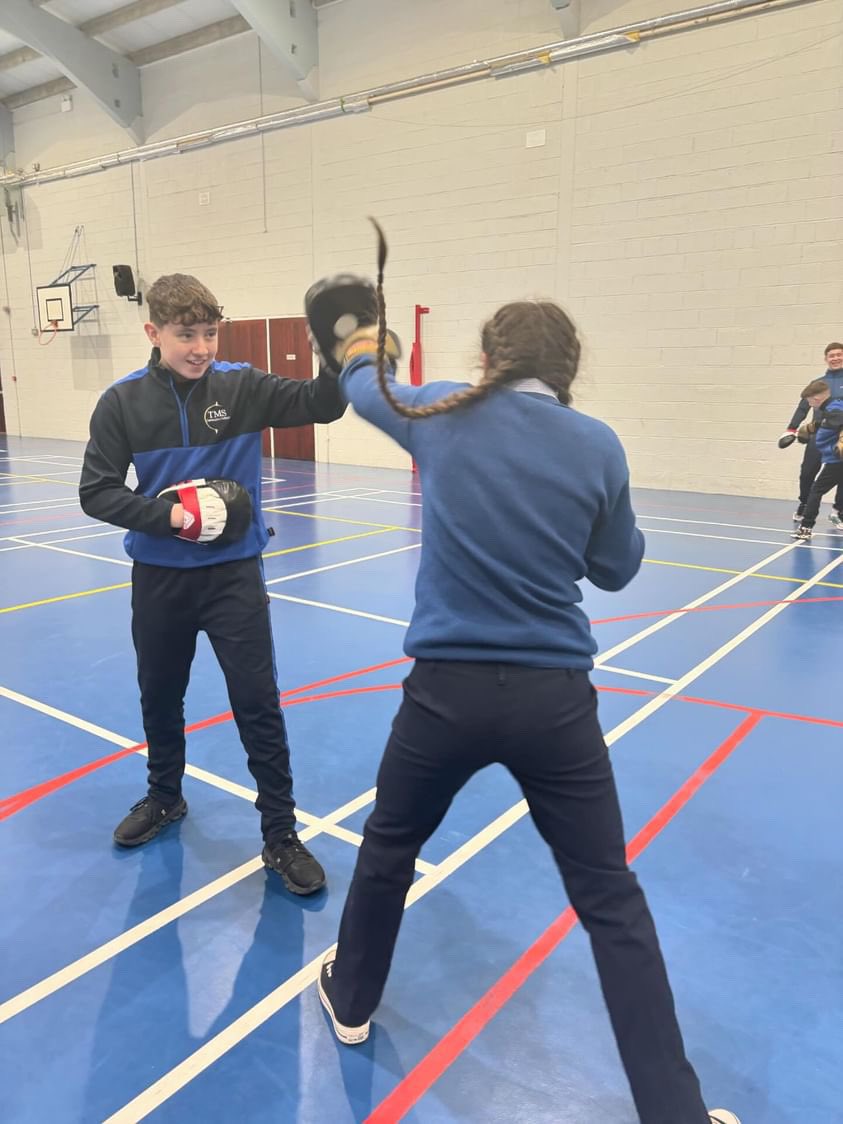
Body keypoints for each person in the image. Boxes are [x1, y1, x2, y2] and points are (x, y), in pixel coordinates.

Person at [307, 238, 740, 1124]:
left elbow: (357, 387)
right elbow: (617, 569)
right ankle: (675, 1112)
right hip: (554, 706)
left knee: (390, 848)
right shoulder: (596, 444)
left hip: (444, 697)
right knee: (609, 898)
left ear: (485, 360)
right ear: (568, 369)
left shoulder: (438, 410)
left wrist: (363, 338)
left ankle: (350, 1003)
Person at [79, 273, 347, 895]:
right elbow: (97, 491)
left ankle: (280, 834)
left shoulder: (243, 387)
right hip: (160, 579)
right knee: (160, 693)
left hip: (233, 579)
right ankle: (164, 796)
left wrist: (338, 354)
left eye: (209, 332)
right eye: (185, 335)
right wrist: (168, 515)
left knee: (257, 702)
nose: (200, 347)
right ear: (154, 332)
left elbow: (322, 404)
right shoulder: (122, 403)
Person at [779, 341, 843, 525]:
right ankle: (805, 504)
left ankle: (838, 511)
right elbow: (802, 408)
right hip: (819, 436)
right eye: (832, 355)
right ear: (826, 359)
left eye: (839, 354)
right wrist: (791, 429)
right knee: (807, 473)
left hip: (840, 438)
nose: (836, 358)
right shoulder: (818, 383)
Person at [790, 379, 843, 542]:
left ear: (817, 399)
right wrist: (811, 427)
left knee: (816, 490)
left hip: (838, 461)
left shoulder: (834, 408)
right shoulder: (833, 407)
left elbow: (837, 420)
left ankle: (806, 528)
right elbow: (831, 422)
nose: (810, 405)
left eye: (810, 402)